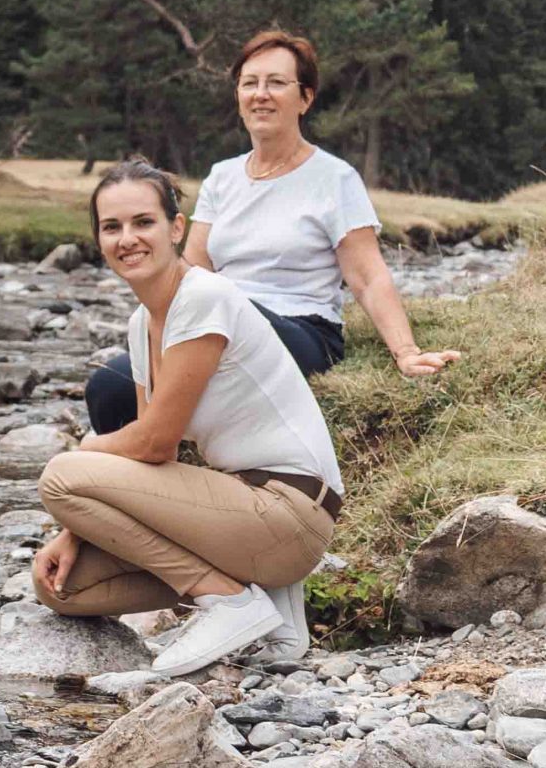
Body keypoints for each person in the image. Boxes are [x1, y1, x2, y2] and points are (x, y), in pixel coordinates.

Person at [34, 160, 346, 672]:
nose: (127, 239)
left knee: (60, 475)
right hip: (241, 514)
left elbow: (154, 442)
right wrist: (75, 530)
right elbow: (147, 458)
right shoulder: (143, 322)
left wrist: (86, 450)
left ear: (176, 228)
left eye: (143, 222)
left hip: (288, 513)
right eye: (112, 227)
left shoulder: (203, 298)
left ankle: (227, 601)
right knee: (63, 587)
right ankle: (273, 609)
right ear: (99, 240)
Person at [84, 28, 461, 436]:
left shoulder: (334, 178)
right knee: (108, 386)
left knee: (222, 300)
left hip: (299, 332)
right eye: (250, 84)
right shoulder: (222, 177)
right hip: (214, 327)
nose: (260, 94)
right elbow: (193, 269)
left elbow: (368, 277)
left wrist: (406, 352)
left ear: (305, 98)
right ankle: (139, 469)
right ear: (238, 97)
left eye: (277, 83)